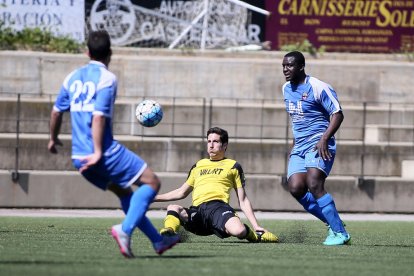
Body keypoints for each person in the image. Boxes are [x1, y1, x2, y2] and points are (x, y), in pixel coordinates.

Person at [47, 30, 179, 258]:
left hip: (80, 159)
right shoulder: (107, 79)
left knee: (125, 193)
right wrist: (99, 151)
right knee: (152, 182)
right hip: (103, 152)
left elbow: (57, 112)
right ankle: (125, 230)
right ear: (110, 53)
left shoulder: (71, 78)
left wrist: (52, 138)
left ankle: (158, 241)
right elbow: (98, 117)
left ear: (87, 51)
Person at [154, 127, 278, 243]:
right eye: (209, 141)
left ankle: (256, 236)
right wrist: (155, 198)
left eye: (215, 141)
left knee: (239, 231)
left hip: (218, 209)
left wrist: (256, 226)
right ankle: (169, 233)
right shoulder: (198, 165)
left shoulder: (233, 166)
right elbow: (182, 192)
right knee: (173, 208)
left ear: (224, 145)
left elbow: (243, 200)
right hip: (198, 212)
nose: (211, 145)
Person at [281, 51, 351, 245]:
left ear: (301, 67)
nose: (286, 69)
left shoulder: (319, 87)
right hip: (300, 146)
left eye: (290, 66)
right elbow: (296, 120)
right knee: (295, 187)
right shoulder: (285, 88)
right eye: (283, 66)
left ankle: (339, 233)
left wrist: (324, 138)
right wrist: (294, 145)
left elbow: (337, 114)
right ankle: (332, 222)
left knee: (314, 183)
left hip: (319, 143)